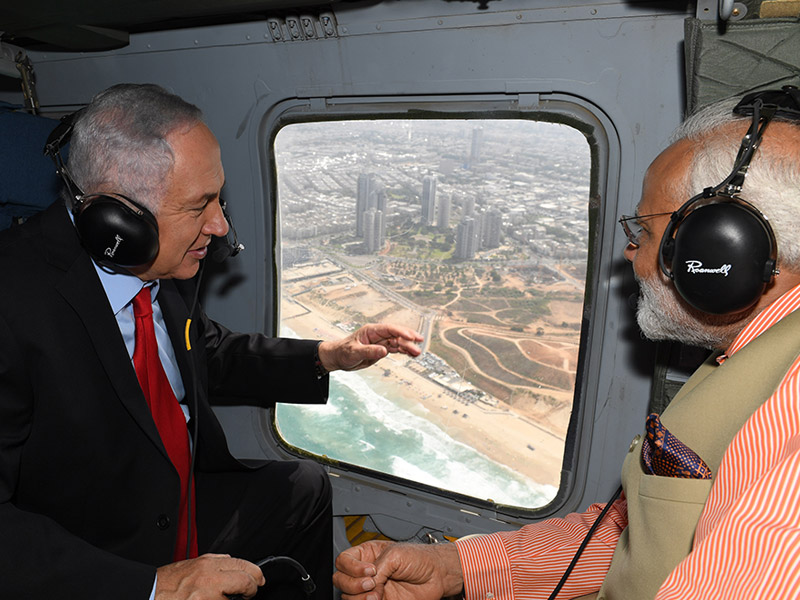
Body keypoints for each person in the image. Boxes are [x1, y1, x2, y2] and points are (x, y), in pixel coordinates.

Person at [333, 88, 800, 600]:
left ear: (721, 252)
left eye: (643, 231)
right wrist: (452, 568)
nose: (629, 254)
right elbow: (631, 538)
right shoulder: (747, 359)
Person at [0, 83, 423, 600]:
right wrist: (156, 586)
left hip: (182, 499)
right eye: (200, 206)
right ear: (120, 218)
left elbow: (205, 348)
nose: (221, 226)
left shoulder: (164, 268)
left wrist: (326, 356)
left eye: (219, 198)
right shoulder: (13, 304)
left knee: (303, 489)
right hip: (95, 546)